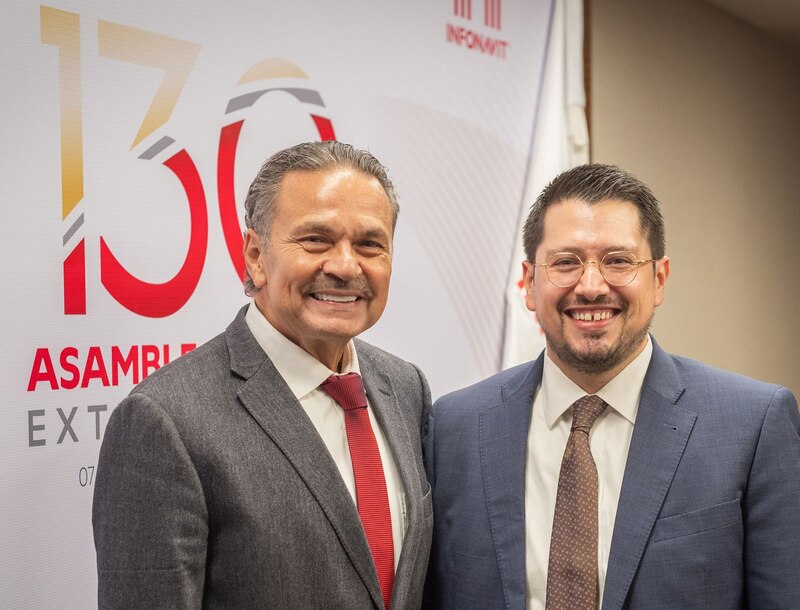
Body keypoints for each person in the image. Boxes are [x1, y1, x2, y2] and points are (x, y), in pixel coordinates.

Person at [423, 163, 800, 609]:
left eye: (618, 261)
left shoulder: (753, 425)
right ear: (528, 283)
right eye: (566, 262)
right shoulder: (455, 428)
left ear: (658, 279)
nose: (591, 286)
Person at [93, 141, 433, 609]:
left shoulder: (406, 387)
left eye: (370, 244)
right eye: (316, 239)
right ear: (255, 255)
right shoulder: (164, 420)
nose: (345, 265)